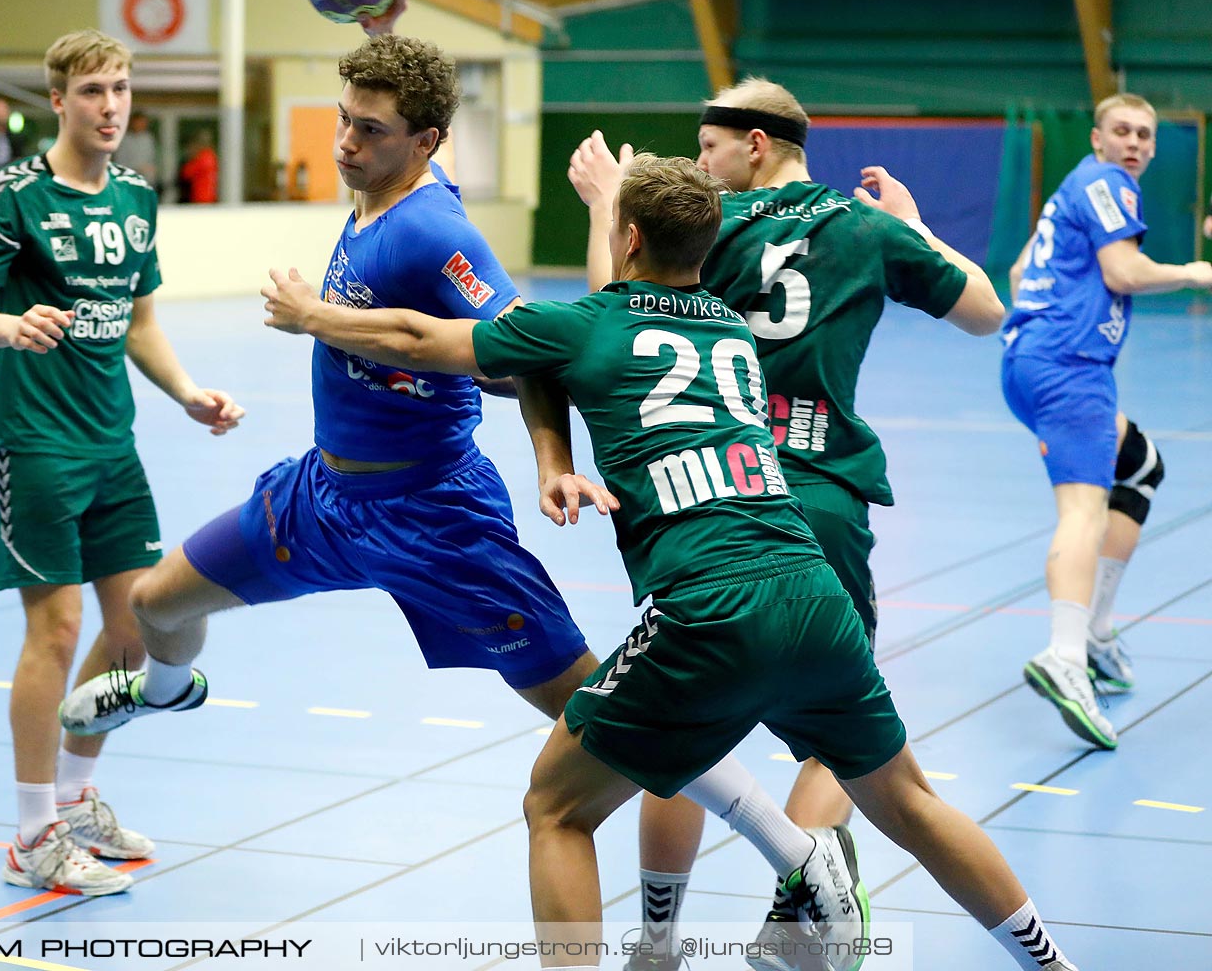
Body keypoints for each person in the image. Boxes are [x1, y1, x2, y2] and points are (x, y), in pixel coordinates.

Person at [59, 24, 852, 930]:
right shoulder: (377, 183)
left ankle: (798, 855)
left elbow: (525, 354)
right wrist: (381, 28)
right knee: (158, 606)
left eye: (371, 131)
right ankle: (165, 689)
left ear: (426, 142)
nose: (348, 144)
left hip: (435, 517)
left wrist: (550, 459)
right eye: (346, 121)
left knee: (611, 711)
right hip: (325, 495)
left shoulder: (435, 230)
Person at [261, 155, 1082, 971]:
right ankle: (1053, 964)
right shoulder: (729, 328)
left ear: (629, 237)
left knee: (556, 806)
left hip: (706, 612)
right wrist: (554, 447)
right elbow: (567, 349)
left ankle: (661, 936)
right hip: (813, 592)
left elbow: (418, 335)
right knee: (911, 803)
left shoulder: (587, 324)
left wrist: (312, 316)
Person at [569, 79, 1005, 971]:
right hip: (822, 501)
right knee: (835, 741)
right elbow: (985, 312)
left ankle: (657, 941)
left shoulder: (702, 224)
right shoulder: (862, 228)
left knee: (681, 728)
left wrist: (610, 205)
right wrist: (916, 229)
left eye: (708, 147)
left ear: (756, 144)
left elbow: (609, 310)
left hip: (713, 494)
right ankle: (797, 919)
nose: (698, 166)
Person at [0, 28, 243, 897]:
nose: (110, 107)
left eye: (119, 89)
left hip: (114, 443)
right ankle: (32, 834)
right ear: (58, 101)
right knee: (57, 629)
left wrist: (186, 392)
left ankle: (75, 799)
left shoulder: (137, 198)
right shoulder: (13, 197)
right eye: (92, 92)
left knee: (136, 623)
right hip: (34, 443)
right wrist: (11, 326)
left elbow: (141, 322)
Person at [1002, 92, 1210, 749]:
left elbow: (1017, 270)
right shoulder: (1106, 182)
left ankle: (1093, 630)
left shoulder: (1076, 191)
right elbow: (1124, 269)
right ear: (1097, 138)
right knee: (1083, 512)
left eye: (1145, 135)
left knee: (1142, 464)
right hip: (1071, 367)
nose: (1135, 143)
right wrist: (1197, 272)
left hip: (1034, 358)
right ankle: (1066, 653)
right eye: (1122, 131)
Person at [115, 111, 158, 188]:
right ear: (133, 122)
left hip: (147, 181)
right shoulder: (125, 139)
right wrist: (137, 169)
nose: (142, 124)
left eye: (144, 122)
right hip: (128, 180)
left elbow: (151, 159)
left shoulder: (148, 138)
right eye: (140, 122)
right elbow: (120, 162)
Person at [178, 129, 218, 204]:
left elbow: (186, 173)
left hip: (201, 198)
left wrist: (190, 157)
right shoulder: (212, 156)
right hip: (209, 197)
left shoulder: (203, 158)